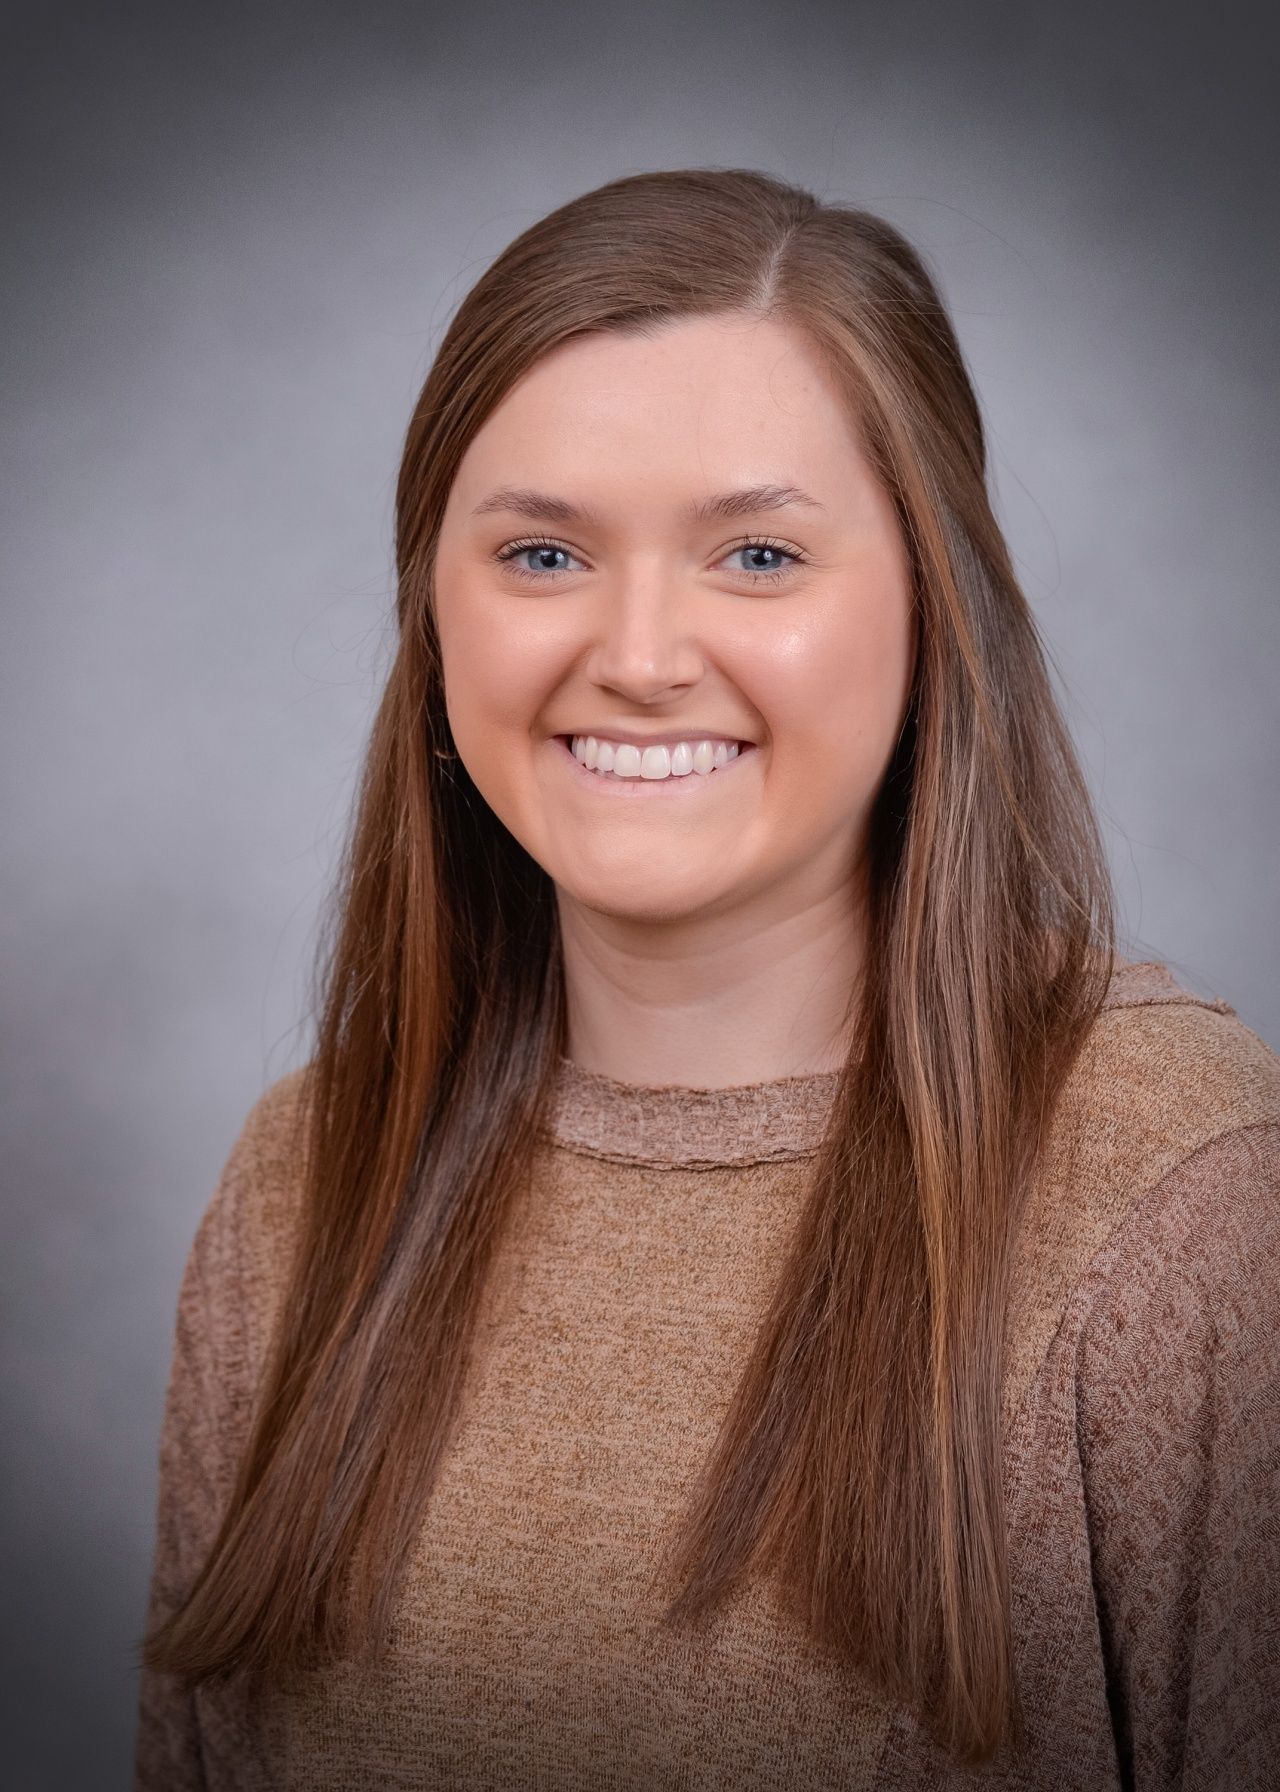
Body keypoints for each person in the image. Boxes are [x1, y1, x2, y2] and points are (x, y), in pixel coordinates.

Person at [134, 168, 1280, 1790]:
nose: (644, 652)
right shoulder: (308, 1176)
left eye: (755, 555)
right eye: (542, 556)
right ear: (432, 616)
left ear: (932, 607)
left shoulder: (1193, 1200)